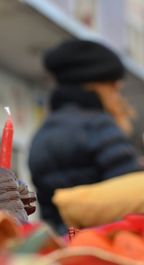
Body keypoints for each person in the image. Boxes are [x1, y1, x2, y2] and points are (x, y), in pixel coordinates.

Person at [28, 39, 143, 234]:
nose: (118, 94)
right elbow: (131, 200)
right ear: (96, 85)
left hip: (60, 245)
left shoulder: (42, 133)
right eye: (114, 86)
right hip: (103, 247)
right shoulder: (98, 126)